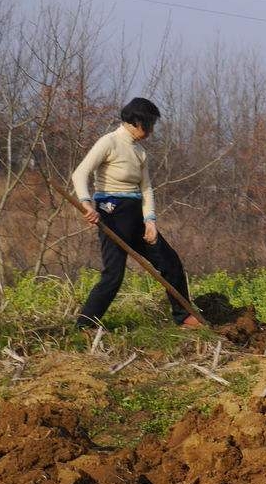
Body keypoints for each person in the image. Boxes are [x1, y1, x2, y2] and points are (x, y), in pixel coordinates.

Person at [72, 97, 199, 330]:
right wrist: (87, 204)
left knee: (170, 262)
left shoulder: (140, 152)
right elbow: (80, 174)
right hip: (111, 215)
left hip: (137, 217)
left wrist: (150, 221)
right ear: (136, 121)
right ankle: (84, 326)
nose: (151, 131)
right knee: (113, 275)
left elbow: (146, 188)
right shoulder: (108, 142)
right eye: (149, 125)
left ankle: (184, 316)